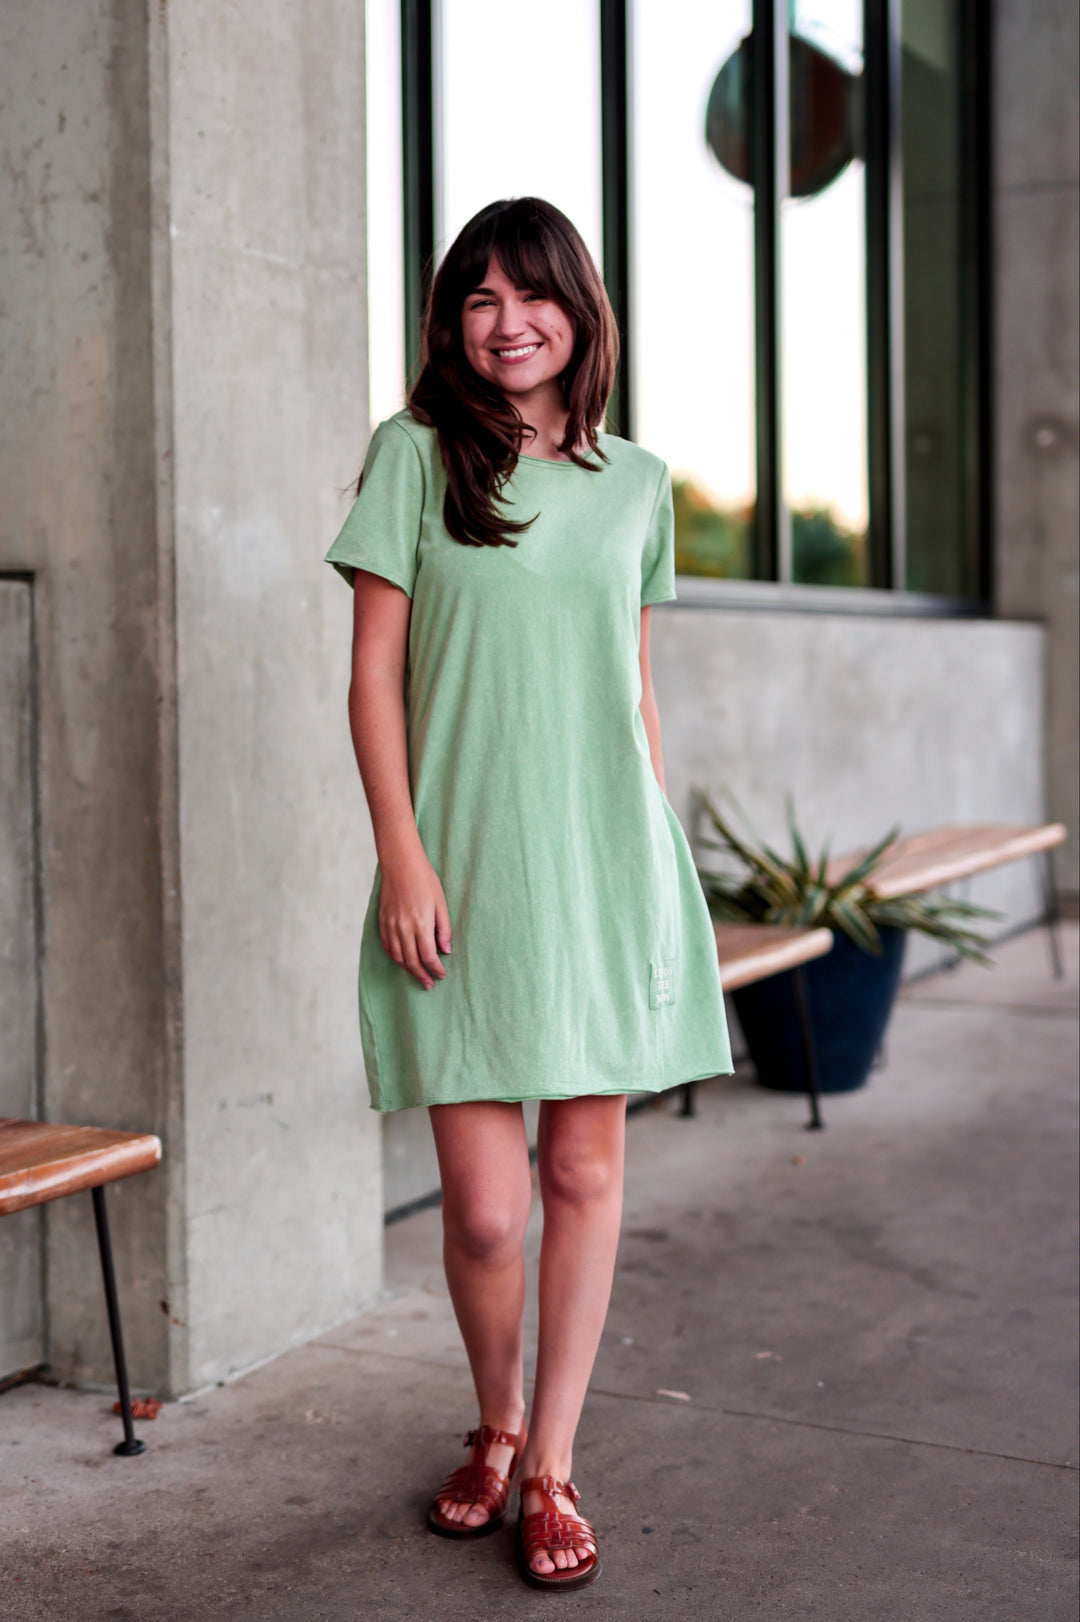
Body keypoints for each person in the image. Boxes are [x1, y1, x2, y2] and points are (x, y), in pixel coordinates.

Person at [324, 196, 732, 1592]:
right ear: (451, 320)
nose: (509, 321)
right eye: (480, 298)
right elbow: (375, 673)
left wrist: (654, 859)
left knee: (584, 1170)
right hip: (466, 869)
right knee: (490, 1207)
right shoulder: (415, 456)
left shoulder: (636, 481)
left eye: (534, 294)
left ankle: (549, 1458)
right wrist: (402, 851)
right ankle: (492, 1417)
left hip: (603, 863)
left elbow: (632, 690)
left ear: (580, 309)